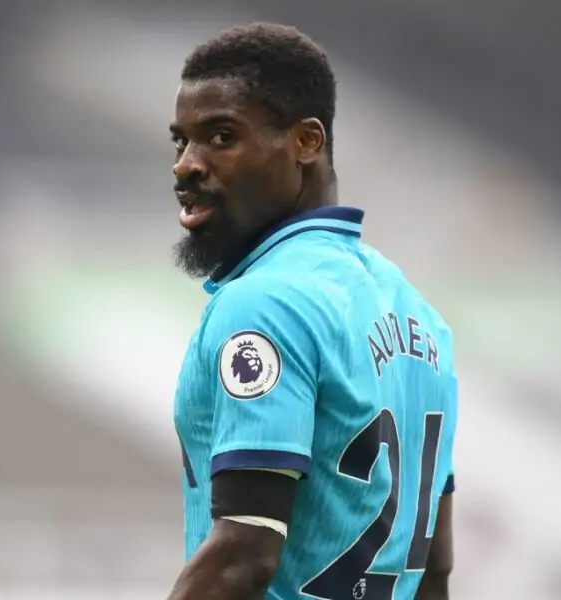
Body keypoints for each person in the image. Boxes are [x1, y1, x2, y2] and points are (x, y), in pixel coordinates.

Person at [167, 23, 458, 600]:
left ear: (306, 141)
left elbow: (242, 557)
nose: (186, 165)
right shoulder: (421, 317)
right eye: (181, 142)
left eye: (221, 137)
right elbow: (434, 571)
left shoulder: (266, 304)